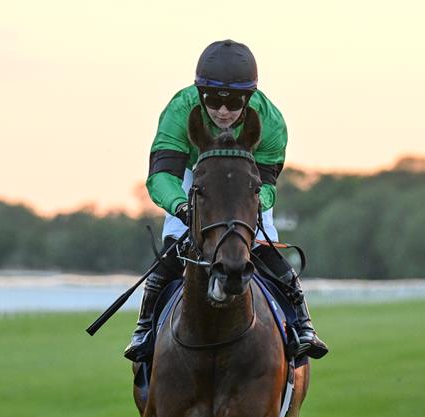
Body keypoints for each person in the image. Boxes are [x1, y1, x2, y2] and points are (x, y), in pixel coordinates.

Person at [124, 39, 328, 362]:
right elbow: (161, 177)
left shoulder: (271, 122)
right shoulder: (180, 110)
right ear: (199, 93)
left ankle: (303, 324)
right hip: (197, 174)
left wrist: (249, 205)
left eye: (233, 103)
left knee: (261, 244)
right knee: (177, 244)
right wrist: (181, 206)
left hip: (246, 181)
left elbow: (269, 186)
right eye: (213, 101)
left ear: (249, 98)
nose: (222, 111)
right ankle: (145, 328)